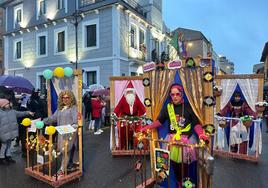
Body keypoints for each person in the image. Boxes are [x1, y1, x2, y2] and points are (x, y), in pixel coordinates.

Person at [141, 83, 209, 186]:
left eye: (177, 94)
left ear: (181, 94)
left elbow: (196, 123)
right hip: (172, 141)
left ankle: (184, 184)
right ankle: (178, 183)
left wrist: (201, 134)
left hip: (187, 142)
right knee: (174, 165)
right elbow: (160, 121)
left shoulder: (188, 107)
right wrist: (147, 128)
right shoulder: (168, 107)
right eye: (172, 95)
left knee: (185, 167)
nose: (175, 97)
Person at [43, 90, 78, 177]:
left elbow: (76, 122)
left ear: (71, 98)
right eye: (63, 97)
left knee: (66, 151)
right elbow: (53, 118)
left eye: (67, 97)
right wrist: (43, 121)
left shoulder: (73, 108)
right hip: (61, 134)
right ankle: (67, 166)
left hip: (69, 133)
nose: (65, 99)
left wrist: (72, 127)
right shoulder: (60, 109)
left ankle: (62, 170)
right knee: (62, 151)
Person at [0, 98, 34, 165]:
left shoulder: (12, 111)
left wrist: (28, 112)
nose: (8, 104)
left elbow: (20, 113)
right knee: (4, 146)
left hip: (11, 132)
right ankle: (2, 157)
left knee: (9, 145)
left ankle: (8, 156)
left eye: (8, 103)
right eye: (7, 104)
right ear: (2, 105)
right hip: (3, 133)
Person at [113, 81, 146, 150]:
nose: (130, 93)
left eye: (131, 92)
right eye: (128, 92)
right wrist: (115, 114)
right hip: (125, 118)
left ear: (134, 92)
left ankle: (137, 146)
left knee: (138, 132)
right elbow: (118, 107)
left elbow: (142, 108)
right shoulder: (123, 99)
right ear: (126, 93)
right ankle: (123, 146)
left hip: (135, 118)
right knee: (122, 131)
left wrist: (145, 113)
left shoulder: (137, 99)